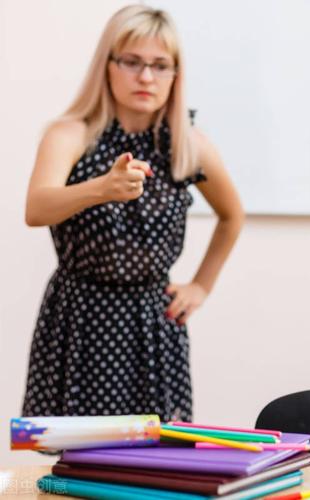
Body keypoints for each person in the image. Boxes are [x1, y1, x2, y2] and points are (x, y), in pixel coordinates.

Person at [21, 5, 244, 421]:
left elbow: (233, 215)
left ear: (175, 75)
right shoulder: (71, 133)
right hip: (81, 313)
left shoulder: (186, 143)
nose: (146, 77)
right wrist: (100, 188)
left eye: (161, 66)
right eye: (132, 62)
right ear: (107, 65)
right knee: (80, 459)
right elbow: (36, 208)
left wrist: (200, 286)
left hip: (152, 320)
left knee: (158, 456)